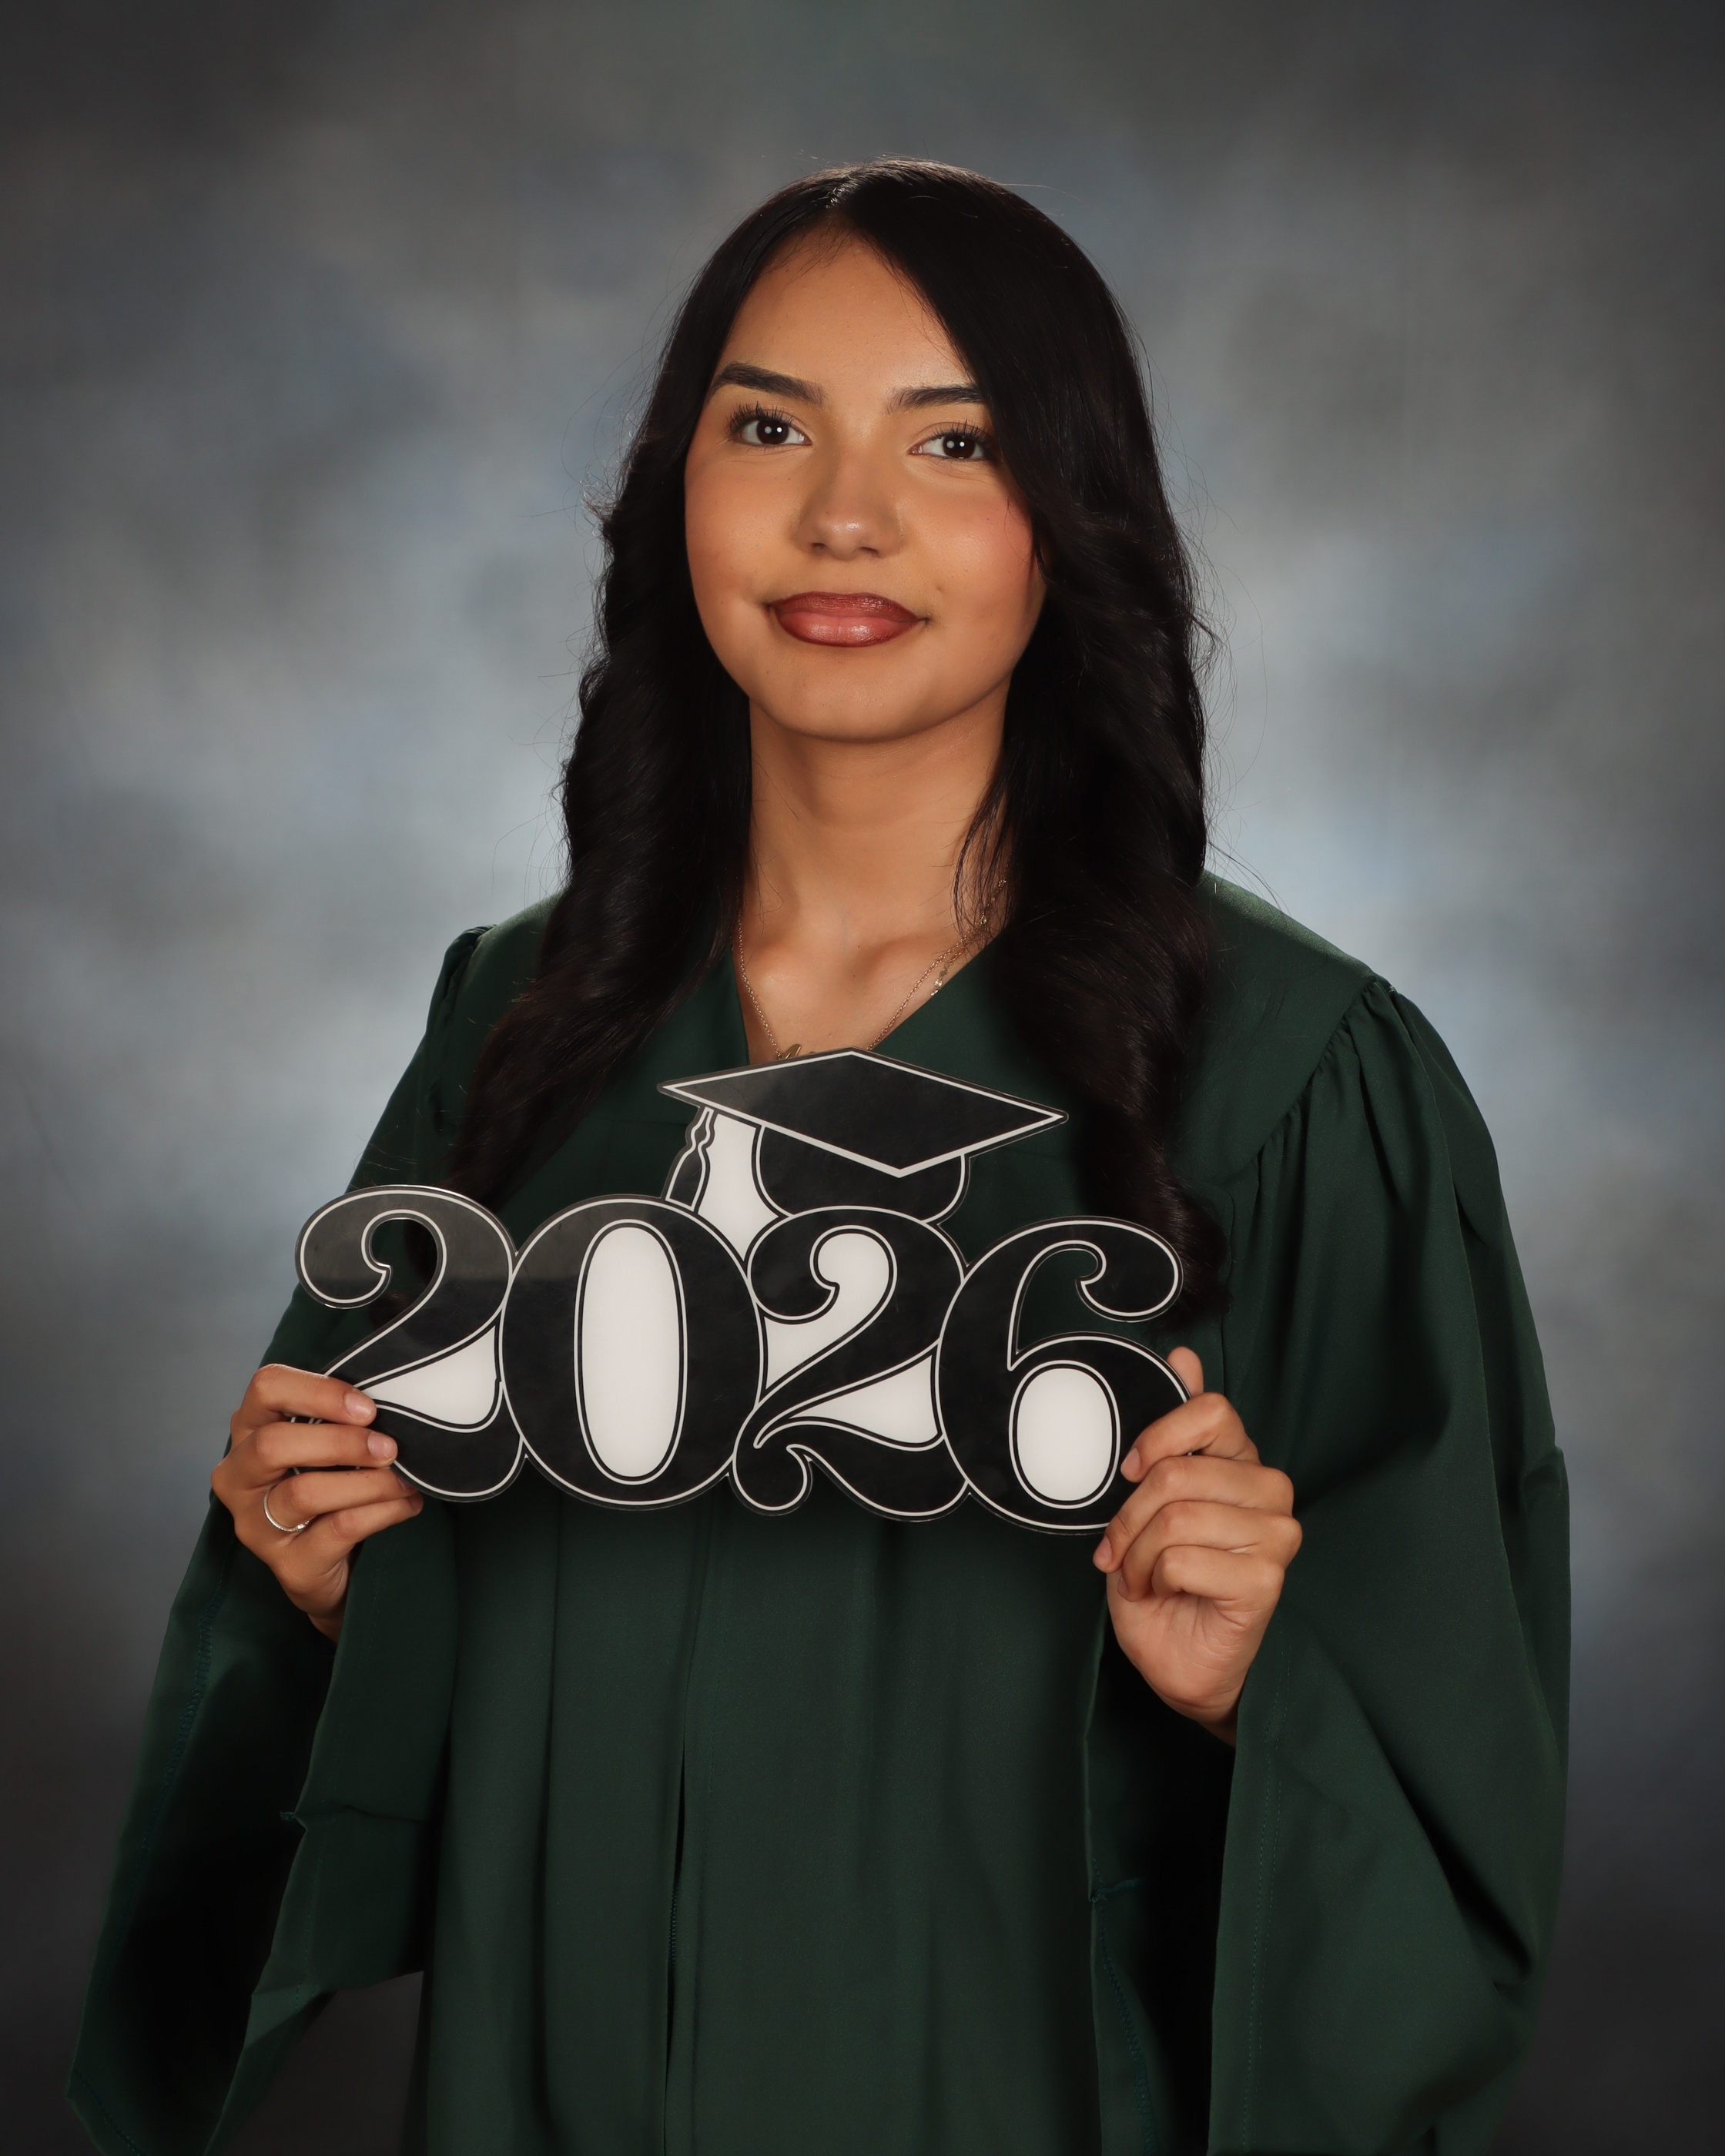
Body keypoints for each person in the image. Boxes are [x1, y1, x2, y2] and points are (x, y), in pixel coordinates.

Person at [70, 161, 1567, 2156]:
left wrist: (1246, 1690)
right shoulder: (523, 1027)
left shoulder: (1295, 1080)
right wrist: (343, 1583)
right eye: (768, 428)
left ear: (1071, 522)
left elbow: (1452, 1813)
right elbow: (371, 1730)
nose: (843, 516)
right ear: (672, 496)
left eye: (953, 442)